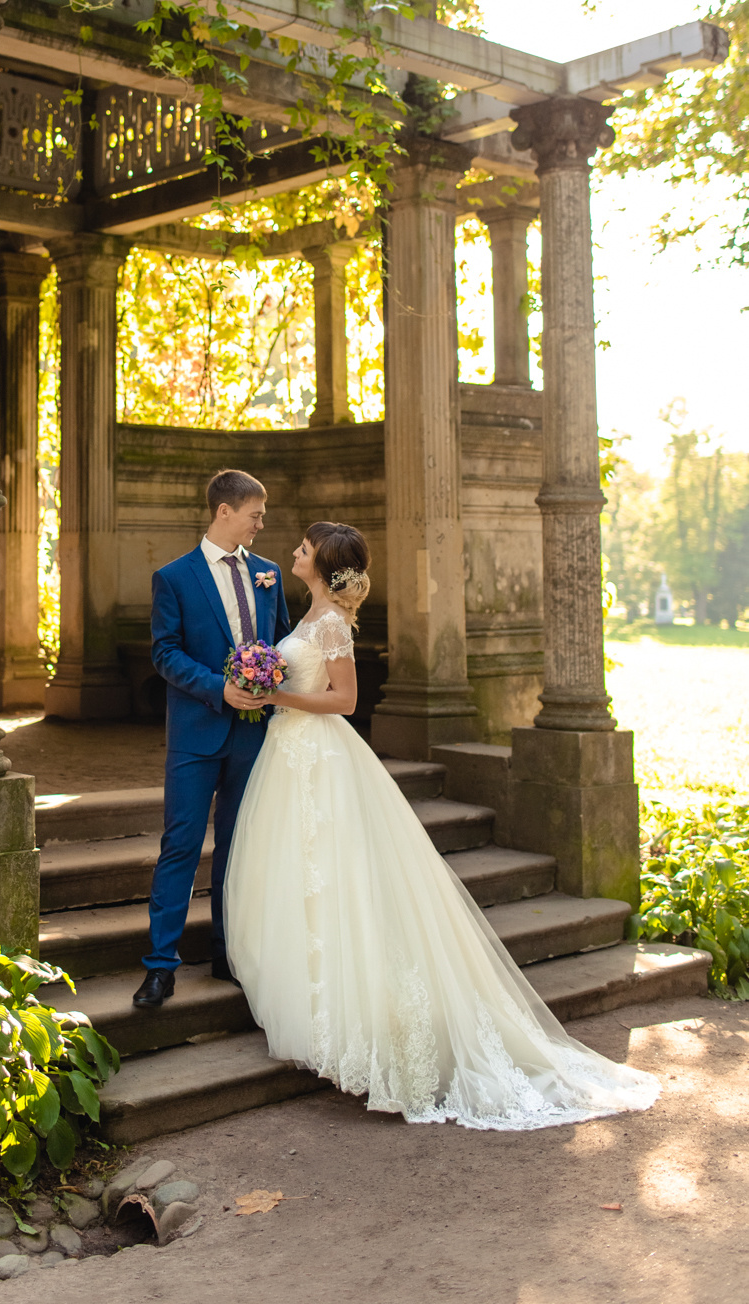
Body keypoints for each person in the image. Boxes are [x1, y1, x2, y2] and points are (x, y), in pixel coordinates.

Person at [224, 521, 660, 1130]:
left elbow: (346, 700)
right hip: (289, 755)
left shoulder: (328, 625)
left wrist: (278, 697)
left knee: (335, 879)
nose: (293, 552)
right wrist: (256, 684)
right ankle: (323, 1020)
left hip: (318, 756)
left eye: (303, 548)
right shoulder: (309, 616)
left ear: (321, 562)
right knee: (303, 880)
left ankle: (364, 1029)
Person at [133, 468, 292, 1011]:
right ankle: (160, 967)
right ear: (225, 511)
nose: (261, 523)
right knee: (180, 846)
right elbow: (165, 652)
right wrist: (218, 689)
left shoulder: (269, 574)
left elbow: (282, 645)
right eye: (255, 514)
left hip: (255, 737)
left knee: (239, 847)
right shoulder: (174, 577)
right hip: (196, 734)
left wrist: (277, 687)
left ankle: (229, 953)